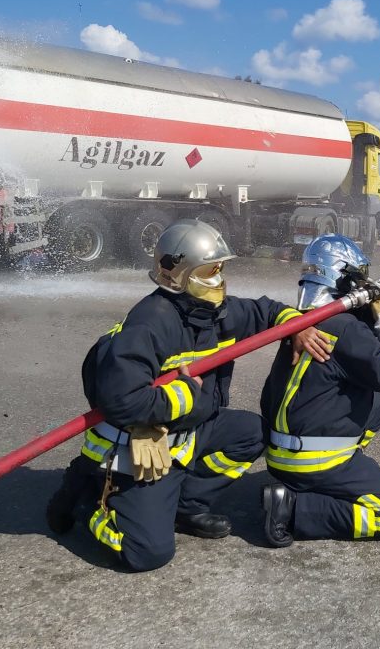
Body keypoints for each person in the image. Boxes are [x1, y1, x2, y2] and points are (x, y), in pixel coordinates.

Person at [45, 219, 331, 571]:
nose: (220, 280)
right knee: (146, 553)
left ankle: (186, 505)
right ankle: (90, 502)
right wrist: (184, 396)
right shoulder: (150, 323)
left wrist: (298, 326)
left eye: (221, 269)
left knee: (252, 433)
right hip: (138, 445)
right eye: (210, 271)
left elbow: (267, 311)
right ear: (178, 275)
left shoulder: (213, 312)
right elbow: (122, 401)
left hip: (188, 429)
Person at [260, 234, 380, 546]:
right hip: (308, 462)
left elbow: (364, 350)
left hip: (279, 456)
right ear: (343, 280)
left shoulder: (302, 321)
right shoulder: (345, 329)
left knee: (378, 407)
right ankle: (294, 507)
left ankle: (325, 474)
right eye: (359, 278)